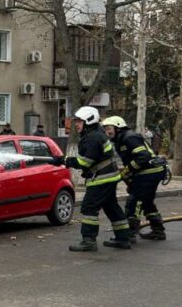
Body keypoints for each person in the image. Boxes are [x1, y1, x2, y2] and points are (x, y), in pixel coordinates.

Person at [56, 106, 131, 252]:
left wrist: (64, 160)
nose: (76, 124)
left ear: (89, 121)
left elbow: (85, 162)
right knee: (112, 207)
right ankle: (123, 238)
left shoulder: (92, 137)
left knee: (89, 207)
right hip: (109, 177)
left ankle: (88, 241)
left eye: (79, 121)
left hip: (101, 179)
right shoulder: (96, 134)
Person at [102, 115, 167, 241]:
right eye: (105, 129)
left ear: (118, 127)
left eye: (108, 128)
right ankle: (158, 231)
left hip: (150, 172)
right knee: (146, 201)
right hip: (148, 172)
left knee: (134, 200)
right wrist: (128, 176)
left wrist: (127, 171)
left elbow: (143, 157)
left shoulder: (129, 137)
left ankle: (129, 233)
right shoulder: (120, 139)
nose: (106, 132)